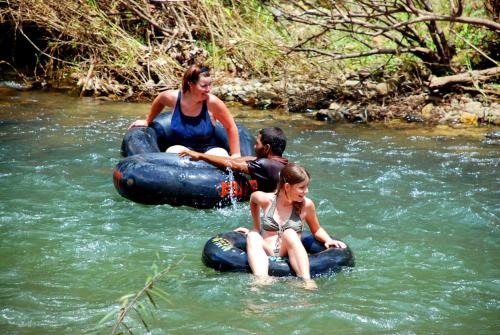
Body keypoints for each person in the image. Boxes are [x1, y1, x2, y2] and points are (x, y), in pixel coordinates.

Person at [234, 163, 347, 289]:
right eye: (302, 187)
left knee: (289, 232)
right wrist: (255, 227)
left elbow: (316, 229)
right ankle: (261, 281)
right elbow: (253, 199)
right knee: (253, 236)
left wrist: (328, 240)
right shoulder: (267, 200)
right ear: (287, 186)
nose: (306, 191)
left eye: (307, 186)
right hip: (268, 251)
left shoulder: (306, 205)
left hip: (287, 251)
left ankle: (306, 281)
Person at [129, 64, 240, 157]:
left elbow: (230, 127)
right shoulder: (173, 98)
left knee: (221, 155)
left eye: (210, 85)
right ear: (191, 84)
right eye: (204, 86)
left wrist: (236, 154)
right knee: (172, 152)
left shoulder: (213, 103)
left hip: (209, 150)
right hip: (182, 149)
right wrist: (148, 121)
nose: (208, 89)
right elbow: (159, 100)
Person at [178, 127, 288, 192]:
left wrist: (200, 155)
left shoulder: (265, 164)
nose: (254, 147)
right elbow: (248, 159)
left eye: (257, 143)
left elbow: (232, 164)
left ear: (267, 148)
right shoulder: (280, 163)